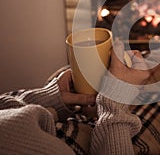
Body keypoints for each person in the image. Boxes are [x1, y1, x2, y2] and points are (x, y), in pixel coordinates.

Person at [0, 42, 150, 155]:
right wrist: (116, 99)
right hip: (110, 130)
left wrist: (51, 97)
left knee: (64, 72)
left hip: (63, 113)